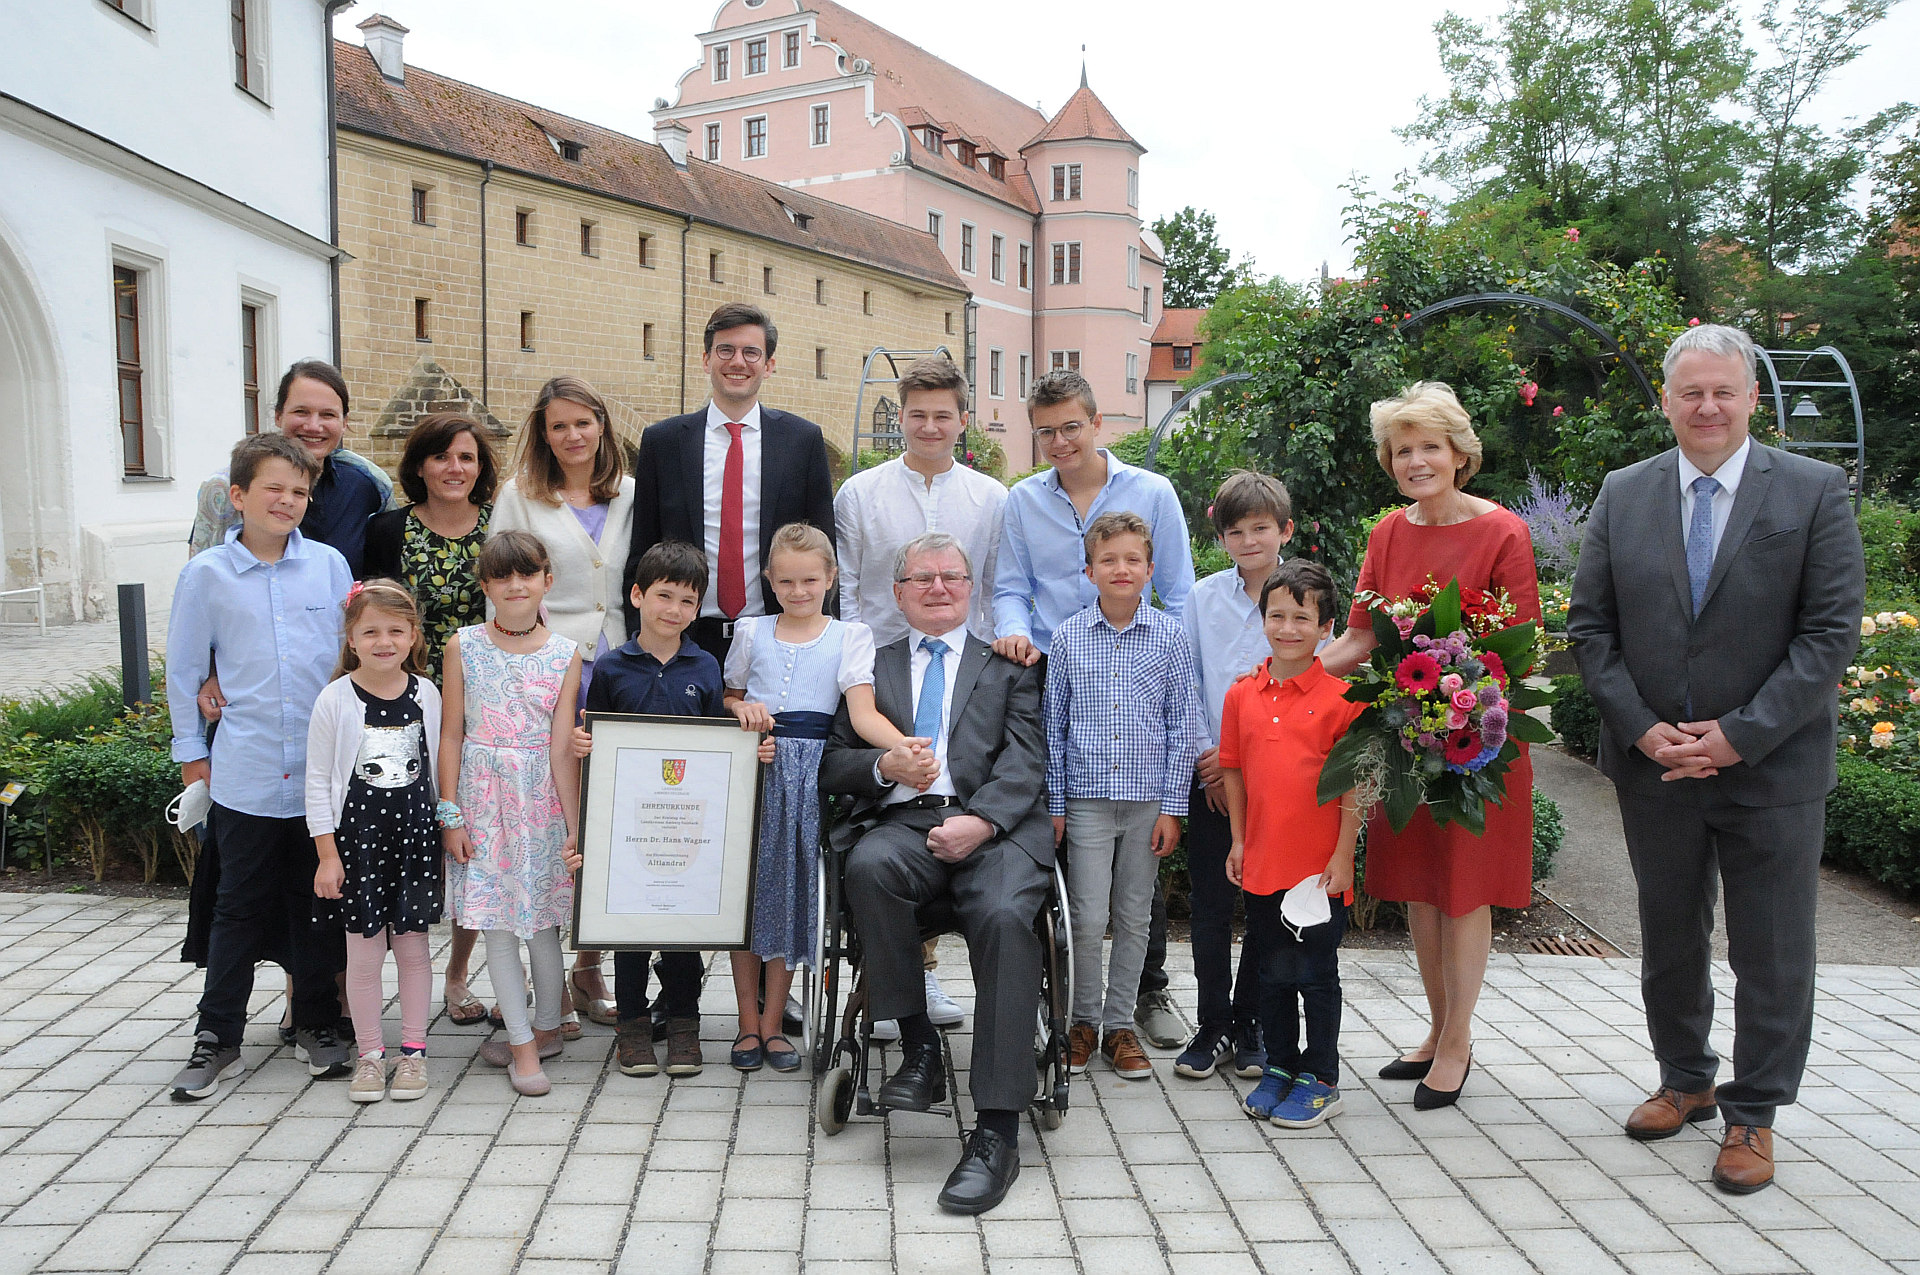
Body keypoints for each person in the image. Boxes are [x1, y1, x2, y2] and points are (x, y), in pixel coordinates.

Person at [1568, 324, 1863, 1195]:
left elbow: (1828, 634)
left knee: (1772, 949)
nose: (1706, 407)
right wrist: (1643, 728)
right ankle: (1686, 1077)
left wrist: (1739, 734)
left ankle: (1754, 1112)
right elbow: (1591, 628)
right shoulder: (1625, 493)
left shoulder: (1813, 491)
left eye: (1722, 392)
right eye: (1689, 392)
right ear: (1665, 400)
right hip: (1655, 763)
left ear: (1750, 399)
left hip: (1772, 769)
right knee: (1668, 934)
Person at [1318, 381, 1540, 1111]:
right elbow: (1357, 635)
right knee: (1418, 885)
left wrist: (1461, 686)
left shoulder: (1503, 530)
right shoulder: (1388, 533)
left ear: (1458, 453)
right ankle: (1440, 1025)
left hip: (1480, 743)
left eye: (1429, 446)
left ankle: (1457, 1041)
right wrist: (1286, 678)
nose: (1416, 460)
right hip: (1407, 741)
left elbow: (1525, 647)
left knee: (1463, 890)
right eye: (1402, 449)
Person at [819, 532, 1053, 1215]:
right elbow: (833, 764)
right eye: (922, 577)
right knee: (867, 865)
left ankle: (998, 1130)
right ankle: (918, 1042)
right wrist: (879, 767)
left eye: (952, 575)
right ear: (898, 593)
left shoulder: (1009, 666)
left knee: (1008, 916)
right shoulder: (872, 667)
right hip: (902, 826)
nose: (939, 586)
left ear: (970, 588)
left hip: (994, 831)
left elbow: (1027, 763)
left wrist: (981, 822)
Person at [993, 368, 1195, 1049]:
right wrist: (1015, 629)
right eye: (1045, 430)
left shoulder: (1152, 493)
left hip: (1139, 665)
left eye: (1070, 426)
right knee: (1068, 855)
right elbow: (1010, 586)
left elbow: (1180, 593)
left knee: (1138, 878)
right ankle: (1068, 1000)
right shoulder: (1022, 501)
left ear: (1097, 421)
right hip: (1052, 668)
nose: (1059, 441)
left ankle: (1142, 995)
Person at [165, 433, 355, 1101]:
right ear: (238, 495)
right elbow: (186, 669)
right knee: (235, 908)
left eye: (300, 491)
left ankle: (318, 1022)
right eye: (273, 487)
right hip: (243, 772)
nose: (287, 499)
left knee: (316, 906)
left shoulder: (329, 567)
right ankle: (217, 1035)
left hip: (319, 777)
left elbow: (351, 658)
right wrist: (192, 757)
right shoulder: (206, 575)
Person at [833, 355, 1005, 1034]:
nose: (930, 426)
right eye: (917, 414)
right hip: (881, 672)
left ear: (962, 421)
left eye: (943, 415)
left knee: (949, 795)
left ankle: (925, 977)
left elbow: (992, 585)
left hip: (963, 671)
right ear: (899, 417)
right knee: (889, 813)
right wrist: (853, 668)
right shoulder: (861, 494)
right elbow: (846, 587)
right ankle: (900, 972)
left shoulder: (990, 497)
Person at [722, 524, 905, 1072]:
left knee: (793, 894)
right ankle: (745, 1025)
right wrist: (741, 711)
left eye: (809, 580)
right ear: (769, 580)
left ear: (829, 578)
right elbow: (731, 694)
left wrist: (908, 750)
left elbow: (862, 713)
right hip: (757, 768)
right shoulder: (750, 631)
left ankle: (775, 1025)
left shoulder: (850, 636)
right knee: (746, 897)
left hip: (811, 776)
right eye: (786, 581)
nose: (798, 591)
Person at [491, 376, 635, 1033]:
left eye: (585, 422)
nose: (574, 435)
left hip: (623, 672)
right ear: (543, 434)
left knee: (607, 821)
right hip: (551, 675)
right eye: (560, 426)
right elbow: (500, 583)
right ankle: (533, 973)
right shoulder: (520, 496)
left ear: (602, 424)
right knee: (551, 819)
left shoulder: (631, 493)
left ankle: (589, 962)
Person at [1045, 512, 1199, 1081]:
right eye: (1108, 560)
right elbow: (1053, 726)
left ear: (1151, 570)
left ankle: (1118, 1026)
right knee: (1086, 917)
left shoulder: (1170, 636)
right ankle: (1081, 1022)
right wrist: (1056, 805)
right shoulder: (1068, 638)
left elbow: (1182, 724)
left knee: (1134, 917)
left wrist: (1173, 807)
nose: (1121, 569)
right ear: (1089, 571)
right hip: (1085, 801)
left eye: (1133, 559)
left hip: (1145, 806)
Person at [362, 413, 499, 1030]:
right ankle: (380, 972)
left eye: (467, 457)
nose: (455, 468)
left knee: (471, 837)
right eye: (442, 457)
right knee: (406, 834)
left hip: (480, 703)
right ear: (419, 465)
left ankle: (457, 973)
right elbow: (370, 616)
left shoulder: (498, 528)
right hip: (406, 702)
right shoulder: (386, 529)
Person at [439, 531, 584, 1097]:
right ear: (486, 586)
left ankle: (547, 1026)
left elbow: (559, 745)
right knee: (497, 924)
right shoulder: (463, 646)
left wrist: (575, 827)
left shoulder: (566, 653)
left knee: (543, 924)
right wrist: (450, 814)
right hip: (480, 799)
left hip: (539, 802)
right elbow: (451, 733)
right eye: (503, 576)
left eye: (528, 575)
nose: (516, 585)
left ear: (547, 581)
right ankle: (522, 1043)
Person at [1222, 560, 1364, 1129]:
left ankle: (1321, 1078)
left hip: (1317, 870)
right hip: (1261, 861)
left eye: (1301, 617)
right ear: (1262, 621)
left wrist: (1342, 856)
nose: (1287, 627)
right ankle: (1280, 1067)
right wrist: (1238, 841)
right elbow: (1232, 771)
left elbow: (1356, 782)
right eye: (1276, 615)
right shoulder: (1242, 695)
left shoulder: (1344, 699)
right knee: (1271, 975)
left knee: (1315, 975)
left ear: (1325, 626)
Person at [579, 541, 728, 1079]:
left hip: (687, 822)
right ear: (638, 595)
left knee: (684, 925)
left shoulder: (705, 666)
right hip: (630, 825)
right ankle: (633, 1027)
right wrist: (583, 746)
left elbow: (717, 749)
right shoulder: (615, 667)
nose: (674, 610)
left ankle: (685, 1024)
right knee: (632, 928)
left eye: (688, 601)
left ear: (698, 609)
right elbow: (597, 738)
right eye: (663, 595)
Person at [625, 302, 837, 665]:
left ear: (768, 365)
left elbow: (824, 551)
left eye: (751, 352)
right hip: (681, 640)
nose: (738, 362)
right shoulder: (664, 442)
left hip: (778, 637)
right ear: (707, 360)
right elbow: (643, 550)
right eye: (726, 350)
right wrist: (639, 643)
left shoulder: (801, 441)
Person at [1175, 470, 1295, 1081]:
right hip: (1215, 780)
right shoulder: (1202, 598)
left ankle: (1250, 1021)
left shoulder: (1303, 599)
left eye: (1261, 529)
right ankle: (1212, 1021)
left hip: (1279, 781)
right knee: (1212, 904)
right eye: (1237, 531)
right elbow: (1191, 683)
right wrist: (1216, 761)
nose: (1249, 541)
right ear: (1221, 537)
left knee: (1267, 903)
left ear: (1285, 531)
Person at [306, 581, 444, 1104]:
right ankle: (369, 1054)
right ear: (351, 638)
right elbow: (318, 780)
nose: (383, 641)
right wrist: (326, 855)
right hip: (356, 845)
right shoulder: (335, 699)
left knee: (412, 951)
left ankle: (413, 1053)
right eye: (371, 631)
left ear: (412, 636)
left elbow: (435, 769)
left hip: (413, 843)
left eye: (395, 630)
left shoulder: (426, 694)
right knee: (362, 958)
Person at [188, 360, 394, 575]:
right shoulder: (225, 487)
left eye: (328, 414)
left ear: (344, 422)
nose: (314, 426)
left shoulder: (369, 483)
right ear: (278, 416)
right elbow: (201, 576)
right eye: (301, 411)